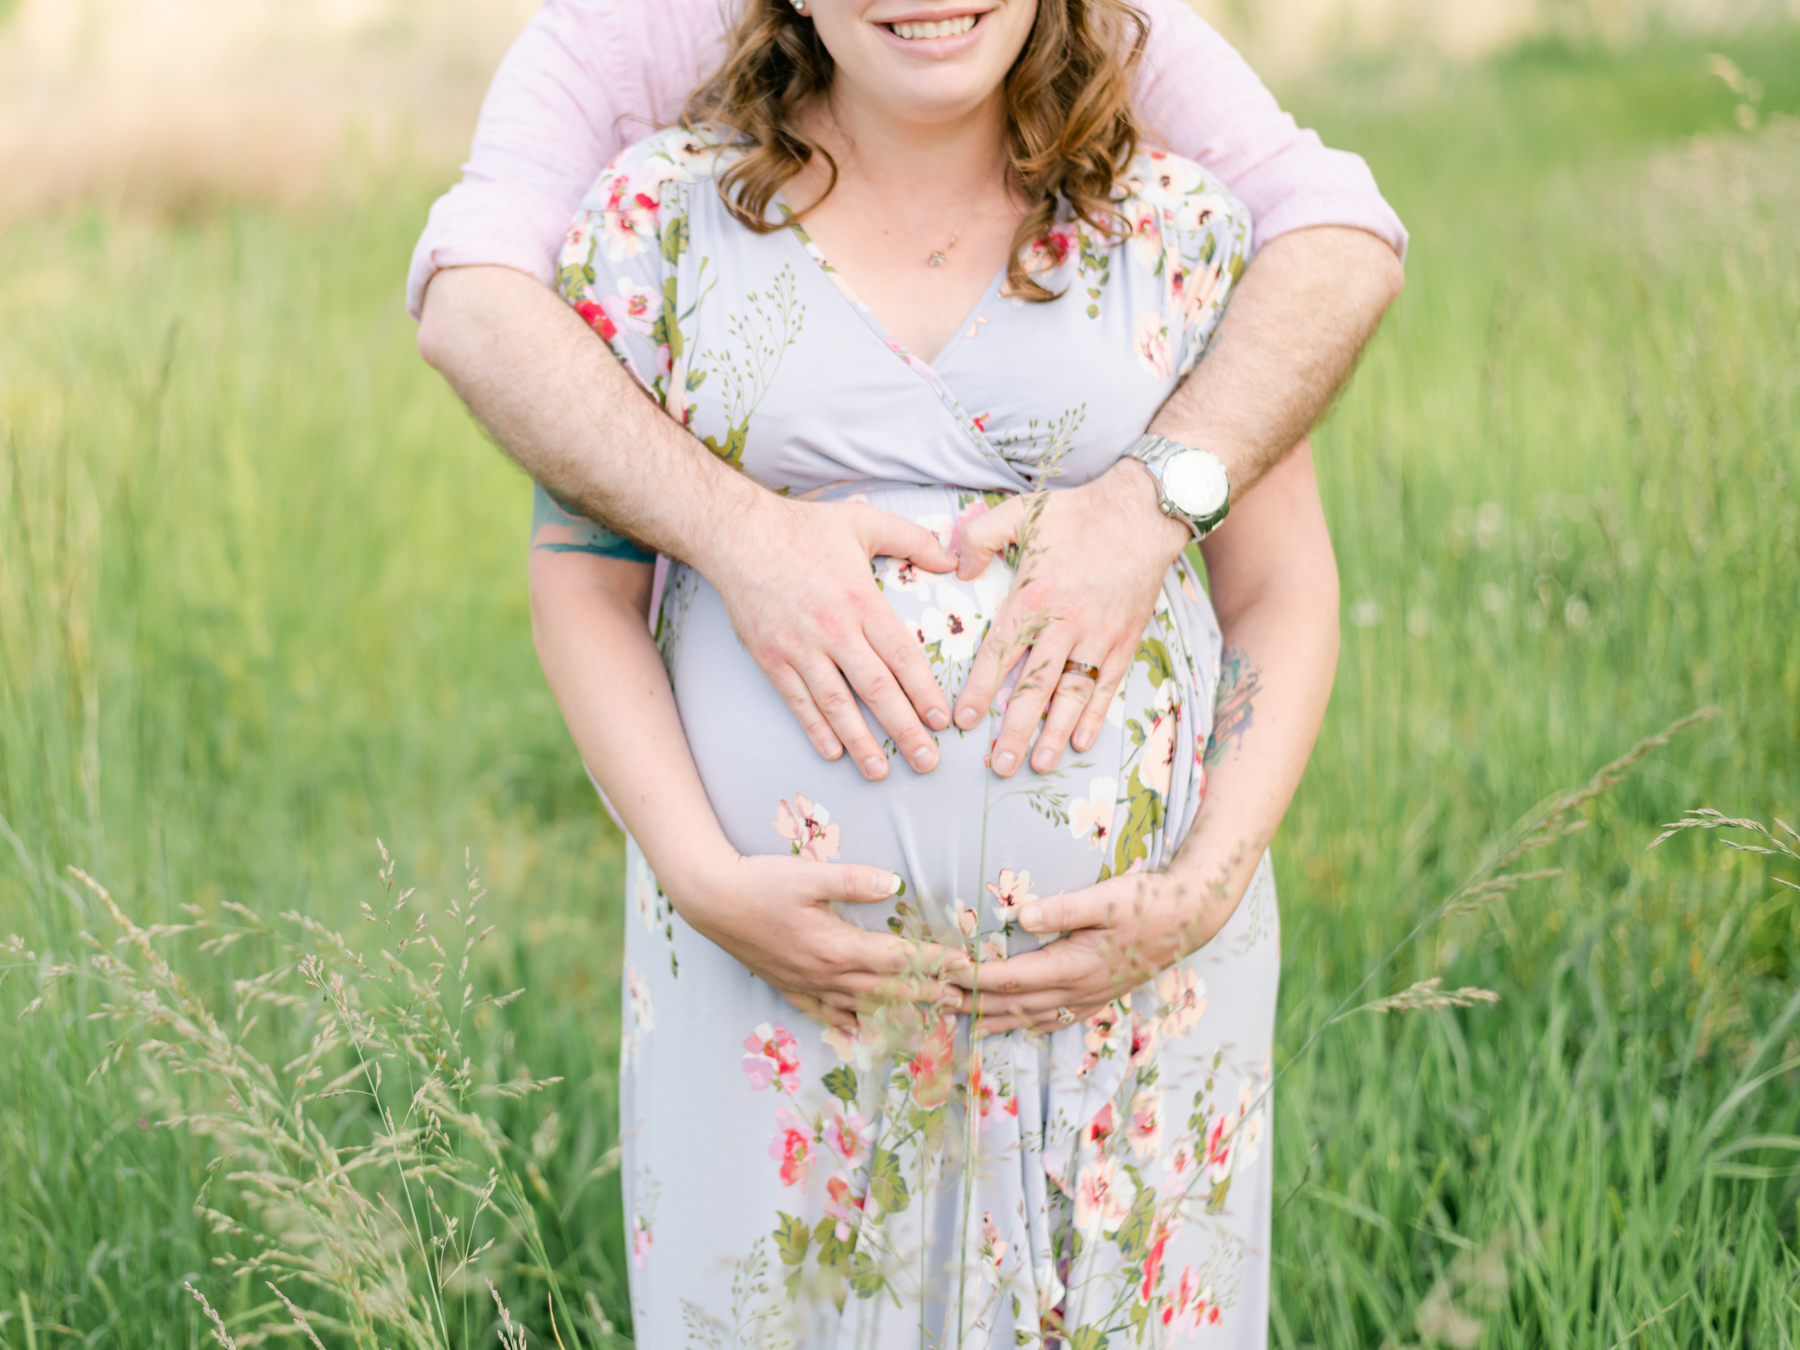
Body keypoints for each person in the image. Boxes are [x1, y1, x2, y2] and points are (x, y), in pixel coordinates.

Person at [411, 0, 1400, 1342]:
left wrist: (1203, 884)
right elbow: (581, 579)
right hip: (777, 1003)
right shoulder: (657, 225)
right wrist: (702, 876)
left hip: (1133, 1021)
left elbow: (1282, 588)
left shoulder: (1177, 230)